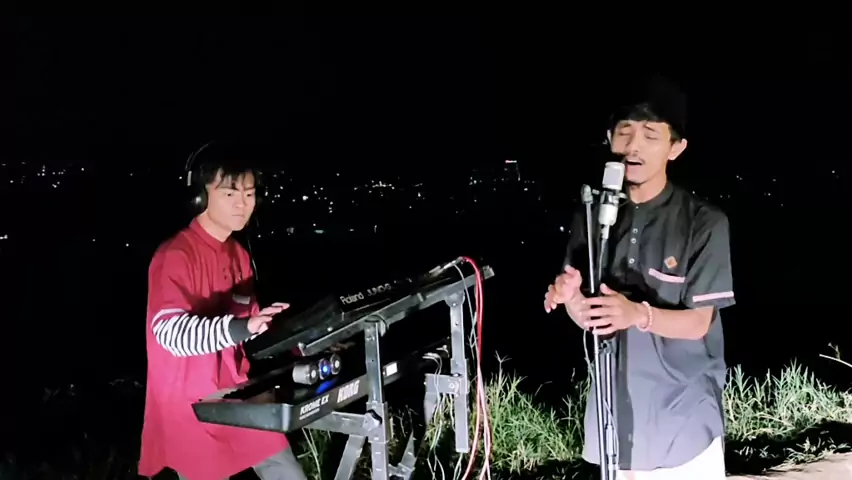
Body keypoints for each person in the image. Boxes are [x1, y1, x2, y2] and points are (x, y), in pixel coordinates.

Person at [545, 77, 735, 480]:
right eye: (624, 131)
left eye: (650, 135)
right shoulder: (591, 215)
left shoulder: (704, 222)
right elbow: (591, 319)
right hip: (614, 416)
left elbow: (699, 323)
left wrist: (637, 314)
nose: (633, 146)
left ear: (675, 148)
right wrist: (573, 298)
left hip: (683, 420)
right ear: (608, 138)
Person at [138, 144, 308, 480]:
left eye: (249, 193)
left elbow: (250, 322)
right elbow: (171, 334)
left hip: (237, 391)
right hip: (189, 406)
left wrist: (303, 337)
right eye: (230, 193)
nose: (243, 204)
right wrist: (242, 327)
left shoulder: (238, 254)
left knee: (284, 469)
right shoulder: (175, 256)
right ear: (200, 197)